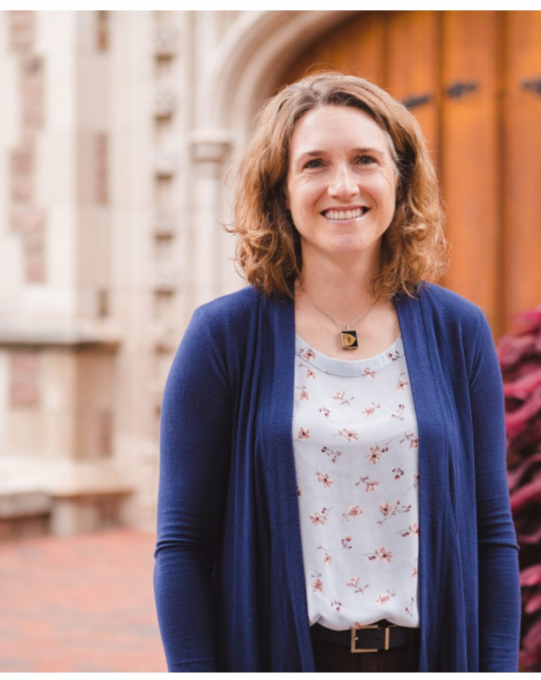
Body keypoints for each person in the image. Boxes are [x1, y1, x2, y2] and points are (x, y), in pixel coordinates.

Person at [153, 72, 520, 672]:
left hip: (430, 659)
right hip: (278, 657)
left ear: (400, 180)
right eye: (315, 164)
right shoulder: (223, 337)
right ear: (281, 189)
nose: (343, 185)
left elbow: (492, 534)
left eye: (365, 160)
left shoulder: (459, 331)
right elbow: (183, 548)